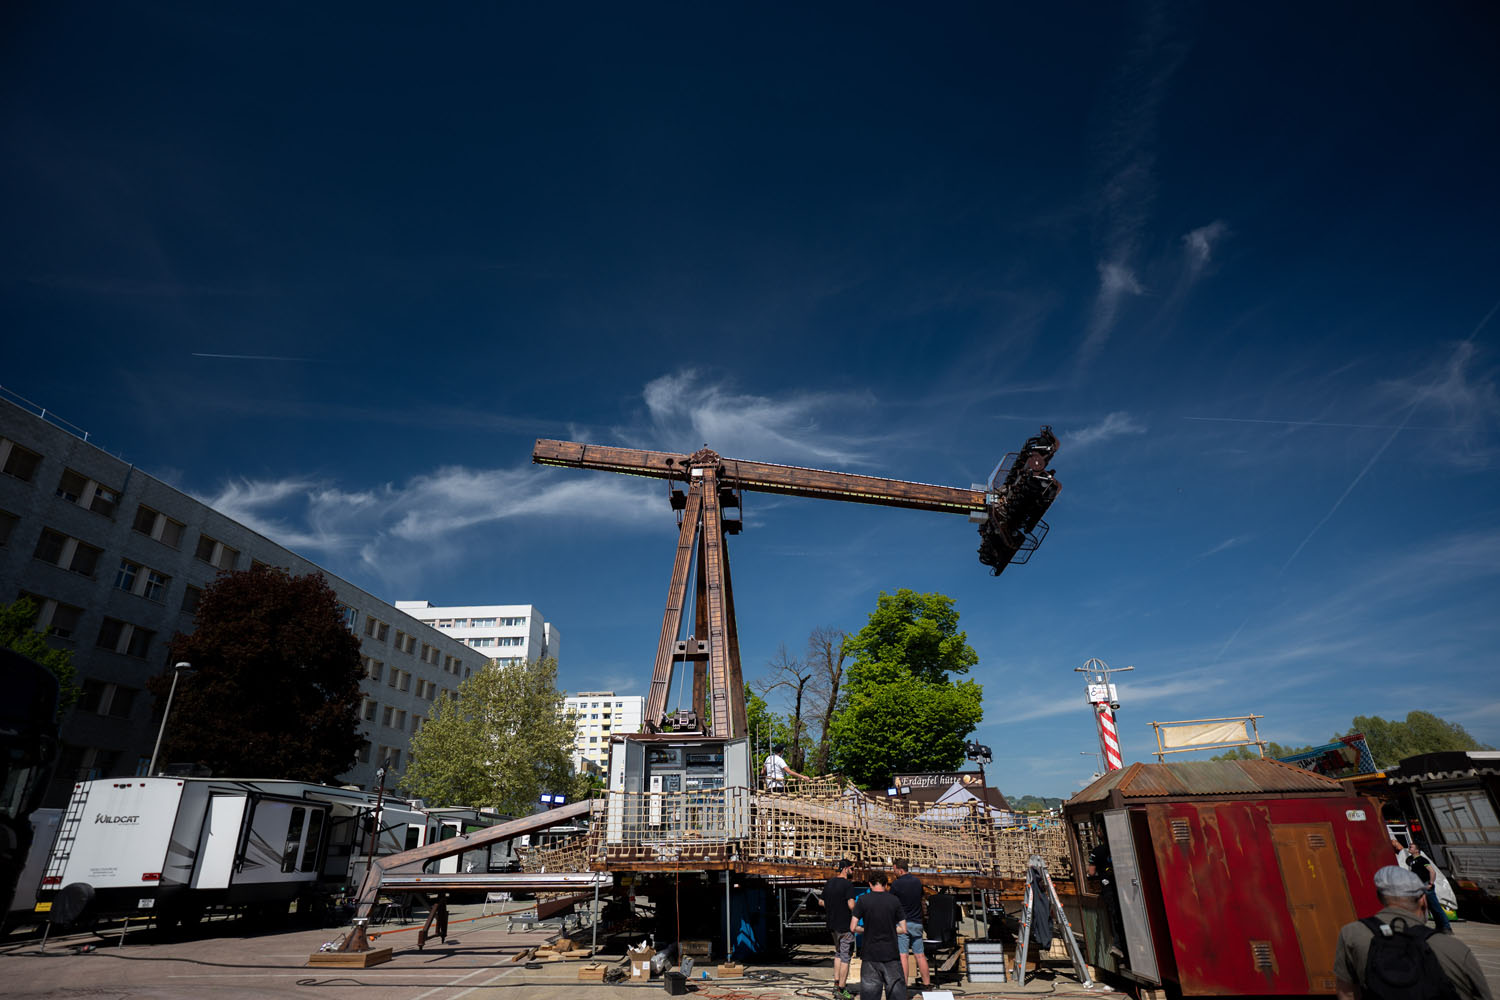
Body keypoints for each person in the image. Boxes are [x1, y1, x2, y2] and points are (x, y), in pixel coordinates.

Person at [1333, 865, 1491, 1000]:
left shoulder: (1352, 935)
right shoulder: (1453, 948)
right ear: (1422, 899)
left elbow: (1347, 992)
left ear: (1380, 898)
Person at [852, 872, 908, 1000]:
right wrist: (889, 929)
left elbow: (853, 927)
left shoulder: (862, 900)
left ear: (870, 884)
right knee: (895, 993)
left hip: (870, 954)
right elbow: (904, 928)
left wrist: (867, 929)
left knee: (870, 995)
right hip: (891, 954)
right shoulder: (894, 900)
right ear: (886, 885)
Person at [818, 859, 858, 1000]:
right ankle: (842, 989)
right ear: (845, 869)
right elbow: (851, 905)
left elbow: (821, 901)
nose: (853, 872)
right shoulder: (848, 885)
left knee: (838, 953)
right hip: (845, 926)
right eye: (852, 869)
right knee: (845, 958)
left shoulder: (829, 883)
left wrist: (833, 906)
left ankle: (836, 984)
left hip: (832, 925)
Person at [1086, 823, 1126, 961]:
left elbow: (1091, 872)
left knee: (1115, 918)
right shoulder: (1121, 848)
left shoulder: (1097, 851)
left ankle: (1119, 946)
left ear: (1101, 833)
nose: (1097, 832)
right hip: (1125, 887)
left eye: (1098, 829)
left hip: (1108, 888)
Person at [890, 859, 932, 990]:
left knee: (904, 955)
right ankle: (927, 984)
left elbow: (891, 902)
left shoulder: (896, 884)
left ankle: (904, 986)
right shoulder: (917, 882)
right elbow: (921, 898)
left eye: (894, 869)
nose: (894, 872)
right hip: (917, 922)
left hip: (903, 924)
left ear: (899, 869)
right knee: (920, 955)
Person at [1406, 843, 1454, 935]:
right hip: (1419, 886)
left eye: (1411, 847)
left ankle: (1446, 927)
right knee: (1429, 908)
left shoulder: (1422, 860)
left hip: (1426, 885)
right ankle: (1439, 927)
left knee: (1435, 907)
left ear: (1417, 850)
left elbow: (1432, 871)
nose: (1409, 848)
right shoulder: (1413, 861)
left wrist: (1430, 883)